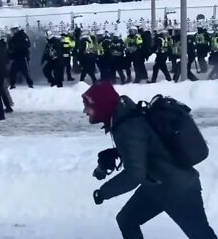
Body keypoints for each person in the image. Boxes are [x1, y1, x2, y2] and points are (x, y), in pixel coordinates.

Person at [82, 81, 217, 239]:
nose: (85, 111)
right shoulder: (125, 114)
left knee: (201, 235)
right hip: (157, 185)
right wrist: (117, 153)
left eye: (88, 106)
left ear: (102, 106)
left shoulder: (127, 126)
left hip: (178, 189)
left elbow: (134, 174)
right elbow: (145, 144)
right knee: (127, 219)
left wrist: (103, 192)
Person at [8, 25, 33, 89]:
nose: (13, 31)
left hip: (23, 57)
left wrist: (17, 47)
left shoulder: (23, 35)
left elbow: (28, 44)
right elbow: (11, 45)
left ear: (17, 29)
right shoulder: (14, 37)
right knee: (13, 71)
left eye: (14, 29)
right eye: (12, 30)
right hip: (16, 57)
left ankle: (30, 84)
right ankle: (12, 84)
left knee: (25, 72)